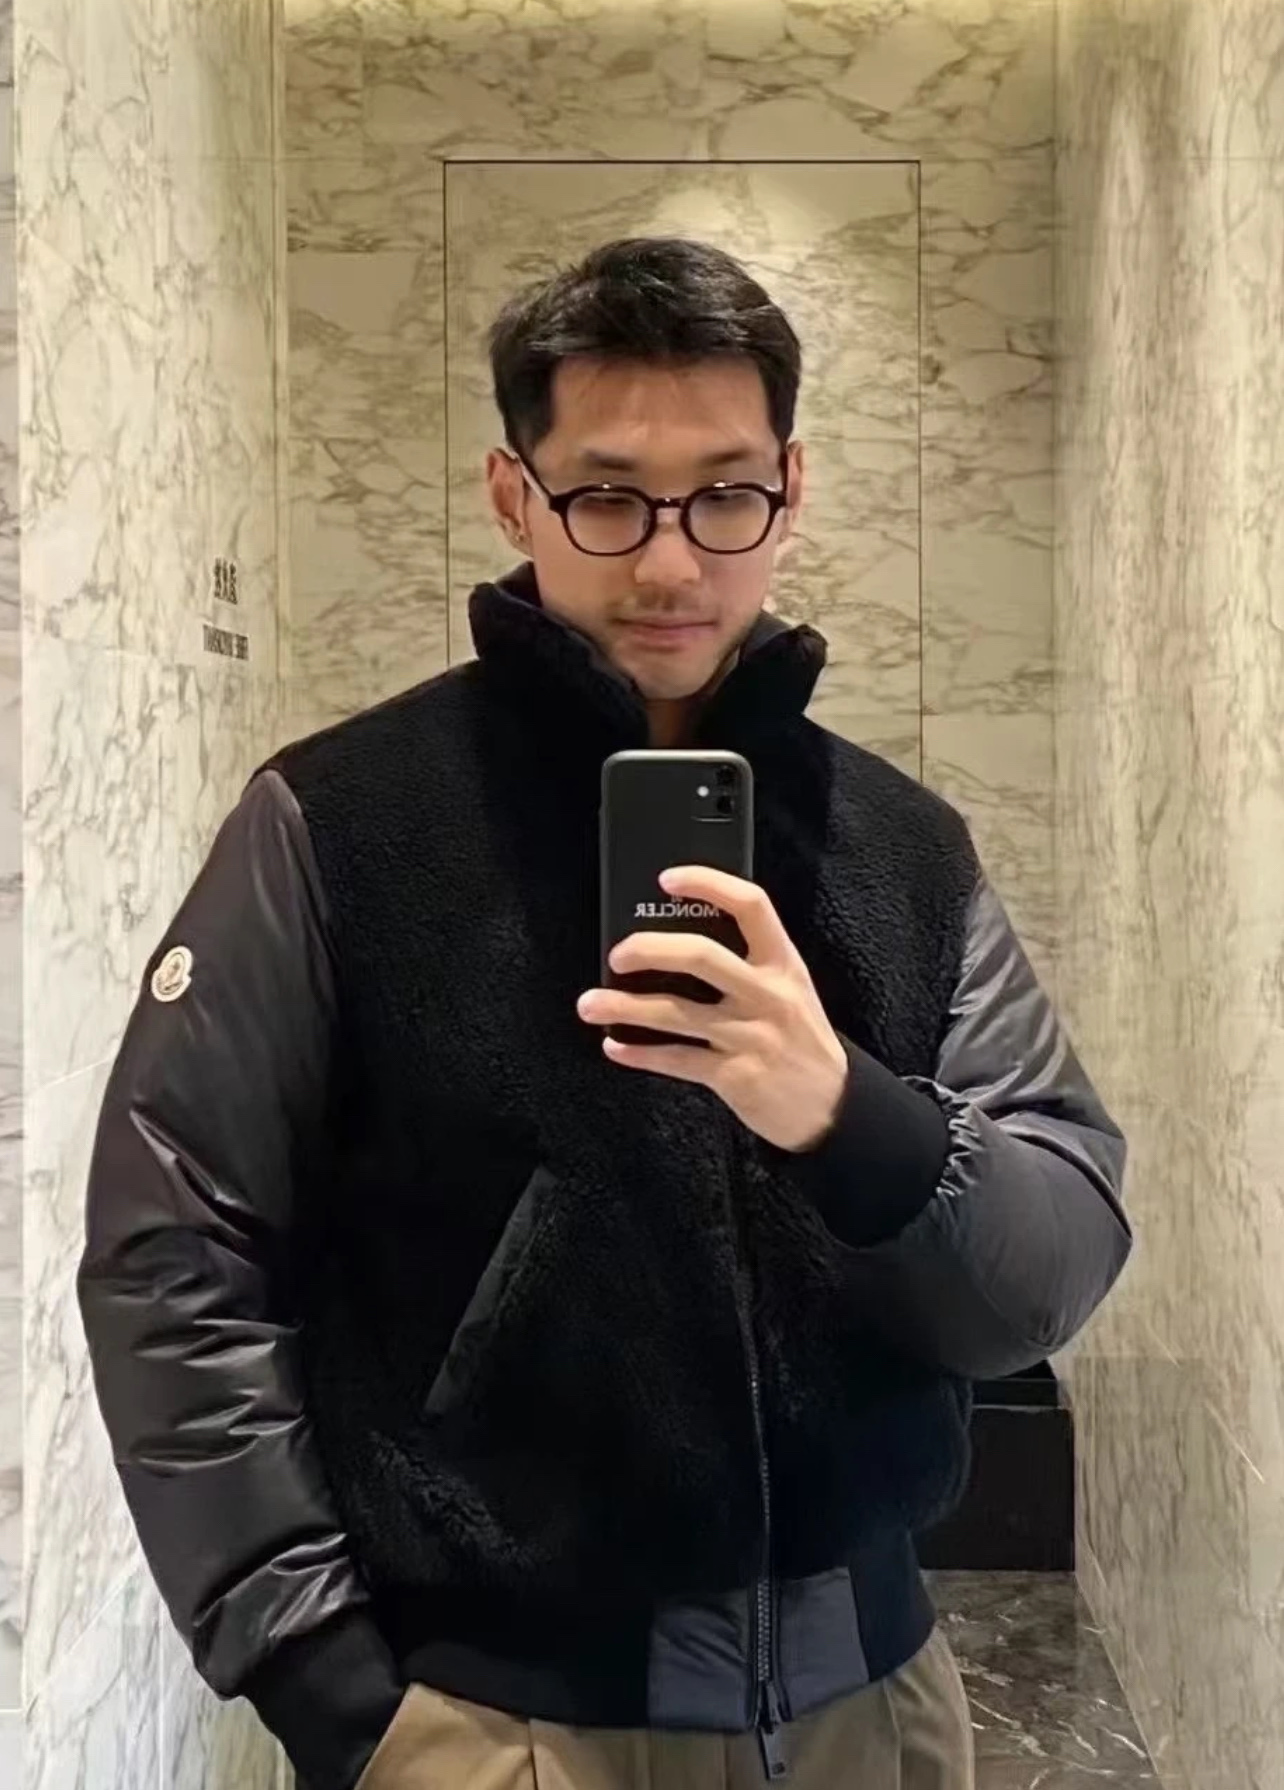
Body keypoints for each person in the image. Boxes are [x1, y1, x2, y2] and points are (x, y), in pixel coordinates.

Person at [79, 238, 1131, 1790]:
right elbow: (176, 1262)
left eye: (724, 495)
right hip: (497, 1728)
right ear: (516, 497)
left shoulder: (905, 851)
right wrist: (327, 1684)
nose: (671, 565)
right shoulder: (337, 826)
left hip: (879, 1714)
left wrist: (849, 1114)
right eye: (609, 495)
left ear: (791, 488)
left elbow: (1052, 1266)